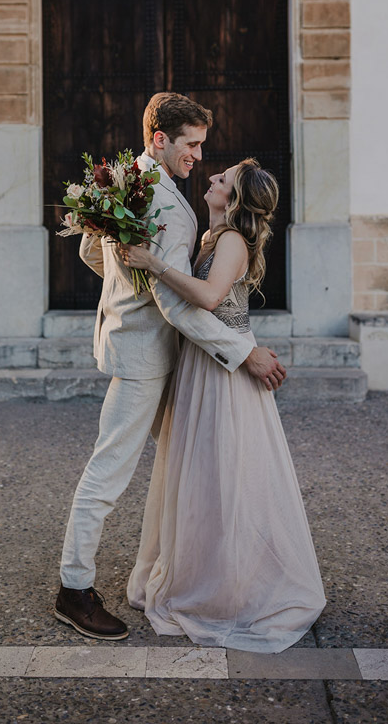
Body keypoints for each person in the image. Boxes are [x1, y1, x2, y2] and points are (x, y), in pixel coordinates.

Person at [55, 93, 287, 641]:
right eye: (192, 145)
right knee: (109, 472)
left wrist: (125, 288)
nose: (199, 158)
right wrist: (243, 352)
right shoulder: (156, 198)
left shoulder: (134, 181)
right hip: (146, 357)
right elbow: (176, 302)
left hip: (150, 351)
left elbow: (95, 252)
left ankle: (198, 574)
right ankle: (73, 589)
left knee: (187, 470)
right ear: (160, 139)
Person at [120, 158, 326, 652]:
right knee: (202, 472)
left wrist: (154, 264)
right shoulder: (213, 237)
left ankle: (228, 586)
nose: (211, 178)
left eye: (223, 180)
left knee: (225, 474)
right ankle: (204, 568)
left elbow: (210, 298)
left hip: (223, 373)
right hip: (203, 362)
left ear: (233, 200)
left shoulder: (231, 240)